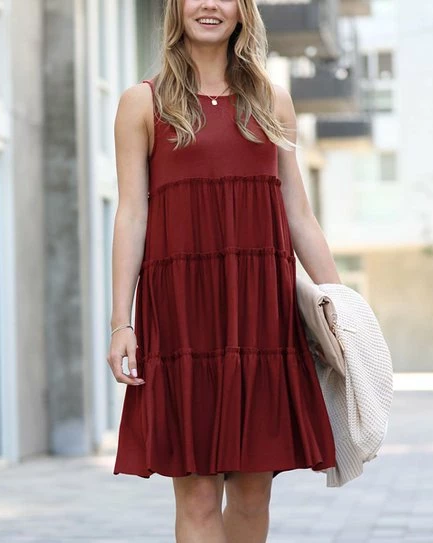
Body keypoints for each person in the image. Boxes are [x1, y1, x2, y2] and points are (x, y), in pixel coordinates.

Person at [106, 0, 342, 541]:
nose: (209, 4)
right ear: (176, 7)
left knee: (254, 490)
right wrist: (122, 322)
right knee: (196, 492)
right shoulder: (142, 103)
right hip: (182, 317)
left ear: (242, 11)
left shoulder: (272, 101)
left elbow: (299, 214)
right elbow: (132, 214)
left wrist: (340, 306)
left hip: (260, 314)